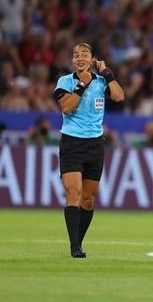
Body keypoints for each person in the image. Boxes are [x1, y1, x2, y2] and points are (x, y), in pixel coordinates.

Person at [52, 43, 124, 258]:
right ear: (72, 61)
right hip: (72, 143)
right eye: (76, 55)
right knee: (74, 193)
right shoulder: (65, 81)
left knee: (88, 200)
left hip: (94, 145)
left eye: (85, 54)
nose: (80, 58)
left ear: (92, 59)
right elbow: (66, 107)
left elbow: (119, 96)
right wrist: (82, 85)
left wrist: (107, 73)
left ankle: (79, 242)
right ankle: (74, 248)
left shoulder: (102, 82)